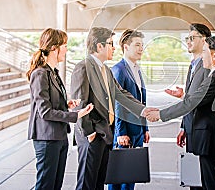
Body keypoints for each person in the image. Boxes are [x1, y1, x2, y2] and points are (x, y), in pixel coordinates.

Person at [146, 36, 215, 190]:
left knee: (213, 185)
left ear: (214, 55)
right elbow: (199, 100)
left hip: (210, 139)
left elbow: (190, 103)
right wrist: (183, 95)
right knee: (212, 182)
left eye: (204, 51)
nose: (202, 56)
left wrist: (160, 115)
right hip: (214, 138)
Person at [71, 27, 150, 190]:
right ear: (99, 46)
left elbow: (121, 94)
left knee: (99, 183)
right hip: (93, 137)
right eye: (110, 44)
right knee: (87, 184)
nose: (114, 47)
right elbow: (79, 104)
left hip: (105, 134)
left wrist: (144, 111)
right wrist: (90, 134)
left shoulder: (105, 69)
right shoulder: (84, 67)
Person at [27, 28, 94, 190]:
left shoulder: (53, 73)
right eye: (64, 45)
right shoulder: (40, 74)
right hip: (47, 139)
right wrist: (75, 115)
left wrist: (66, 104)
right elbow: (44, 112)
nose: (66, 49)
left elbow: (51, 104)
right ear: (53, 48)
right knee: (45, 185)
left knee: (56, 185)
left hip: (59, 136)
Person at [165, 23, 211, 190]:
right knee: (193, 178)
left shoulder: (207, 67)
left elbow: (202, 99)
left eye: (193, 38)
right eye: (187, 38)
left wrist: (184, 97)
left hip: (203, 130)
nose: (189, 42)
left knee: (203, 179)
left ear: (204, 40)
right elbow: (190, 100)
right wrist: (184, 126)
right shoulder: (193, 65)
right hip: (192, 128)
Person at [108, 29, 149, 190]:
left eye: (142, 45)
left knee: (130, 177)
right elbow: (117, 103)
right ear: (126, 47)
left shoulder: (136, 69)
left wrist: (145, 127)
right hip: (125, 132)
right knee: (118, 178)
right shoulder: (118, 70)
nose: (141, 49)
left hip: (137, 130)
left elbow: (141, 102)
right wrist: (120, 132)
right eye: (137, 45)